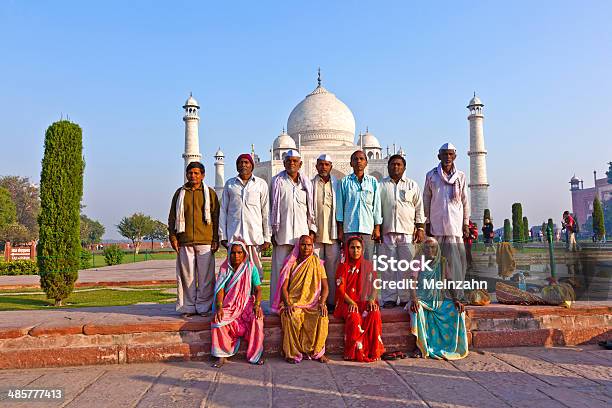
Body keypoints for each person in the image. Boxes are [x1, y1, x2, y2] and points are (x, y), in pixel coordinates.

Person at [168, 161, 220, 317]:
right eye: (190, 173)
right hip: (185, 240)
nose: (193, 176)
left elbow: (216, 216)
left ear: (203, 175)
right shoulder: (180, 193)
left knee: (206, 278)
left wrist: (216, 238)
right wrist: (172, 235)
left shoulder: (209, 193)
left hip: (205, 240)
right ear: (186, 175)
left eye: (196, 173)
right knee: (187, 277)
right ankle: (188, 307)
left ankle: (204, 307)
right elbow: (172, 216)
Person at [408, 237, 469, 360]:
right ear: (423, 249)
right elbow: (412, 281)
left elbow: (450, 281)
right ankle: (420, 346)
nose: (430, 250)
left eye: (433, 247)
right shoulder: (418, 261)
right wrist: (414, 299)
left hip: (439, 300)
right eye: (427, 247)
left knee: (457, 310)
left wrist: (456, 299)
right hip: (421, 299)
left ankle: (451, 345)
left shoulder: (442, 262)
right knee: (416, 311)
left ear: (437, 249)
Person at [271, 235, 329, 364]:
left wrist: (322, 303)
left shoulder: (317, 263)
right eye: (303, 244)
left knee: (322, 316)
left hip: (312, 303)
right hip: (293, 302)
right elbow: (284, 288)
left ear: (312, 246)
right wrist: (287, 304)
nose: (306, 248)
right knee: (290, 316)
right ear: (298, 246)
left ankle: (317, 351)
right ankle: (291, 353)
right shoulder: (291, 263)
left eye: (309, 245)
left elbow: (325, 288)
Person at [269, 150, 317, 302]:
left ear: (300, 164)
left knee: (300, 272)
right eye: (288, 160)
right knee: (279, 271)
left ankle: (299, 302)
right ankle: (277, 304)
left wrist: (312, 231)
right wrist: (271, 232)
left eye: (295, 161)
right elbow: (270, 208)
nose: (292, 163)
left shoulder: (306, 184)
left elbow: (311, 209)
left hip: (301, 236)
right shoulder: (277, 182)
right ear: (283, 163)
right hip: (282, 234)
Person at [379, 154, 425, 308]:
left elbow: (419, 208)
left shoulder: (412, 185)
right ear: (388, 166)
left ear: (404, 167)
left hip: (407, 231)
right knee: (388, 267)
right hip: (387, 231)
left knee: (406, 267)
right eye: (393, 164)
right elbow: (376, 208)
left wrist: (420, 228)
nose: (396, 167)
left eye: (399, 164)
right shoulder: (381, 185)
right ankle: (389, 298)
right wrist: (377, 228)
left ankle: (406, 297)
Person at [423, 143, 469, 295]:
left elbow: (464, 201)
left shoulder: (460, 177)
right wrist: (427, 222)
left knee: (455, 263)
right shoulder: (431, 175)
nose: (447, 157)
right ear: (439, 156)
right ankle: (437, 293)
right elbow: (426, 200)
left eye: (450, 154)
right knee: (435, 262)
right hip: (437, 225)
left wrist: (466, 224)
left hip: (455, 227)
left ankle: (456, 294)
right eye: (444, 154)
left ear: (455, 156)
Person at [211, 241, 264, 367]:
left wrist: (257, 305)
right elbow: (220, 290)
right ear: (229, 254)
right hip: (229, 305)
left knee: (257, 319)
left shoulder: (251, 268)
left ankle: (255, 355)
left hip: (246, 304)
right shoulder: (225, 269)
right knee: (217, 321)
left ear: (244, 254)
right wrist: (219, 307)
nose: (236, 256)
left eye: (239, 252)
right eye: (233, 253)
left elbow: (258, 289)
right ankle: (222, 355)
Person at [334, 236, 385, 362]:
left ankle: (374, 350)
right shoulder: (343, 266)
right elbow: (340, 289)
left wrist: (372, 300)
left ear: (362, 250)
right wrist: (351, 302)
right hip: (347, 302)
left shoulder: (368, 265)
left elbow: (375, 285)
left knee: (375, 312)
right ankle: (354, 352)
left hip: (366, 301)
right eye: (352, 248)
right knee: (354, 317)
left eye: (358, 248)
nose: (355, 251)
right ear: (347, 249)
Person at [219, 153, 271, 276]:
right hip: (235, 238)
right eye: (240, 163)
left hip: (254, 238)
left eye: (246, 162)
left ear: (252, 166)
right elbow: (223, 211)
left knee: (255, 274)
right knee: (234, 275)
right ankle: (237, 296)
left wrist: (267, 237)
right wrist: (223, 236)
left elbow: (266, 212)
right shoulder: (230, 184)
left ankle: (253, 296)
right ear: (237, 166)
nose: (243, 165)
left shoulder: (260, 184)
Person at [336, 150, 382, 261]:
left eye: (361, 159)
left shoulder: (372, 182)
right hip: (349, 228)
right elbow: (340, 207)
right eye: (355, 159)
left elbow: (376, 206)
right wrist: (340, 230)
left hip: (367, 229)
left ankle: (366, 279)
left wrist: (377, 228)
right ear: (351, 163)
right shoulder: (344, 182)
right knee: (349, 261)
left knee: (367, 262)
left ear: (366, 163)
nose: (358, 161)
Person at [311, 154, 341, 310]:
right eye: (321, 164)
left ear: (331, 166)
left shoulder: (338, 184)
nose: (323, 167)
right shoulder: (309, 185)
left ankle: (331, 301)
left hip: (332, 234)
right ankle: (314, 300)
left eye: (327, 164)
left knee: (332, 270)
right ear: (316, 166)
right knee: (315, 270)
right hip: (315, 234)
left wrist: (341, 230)